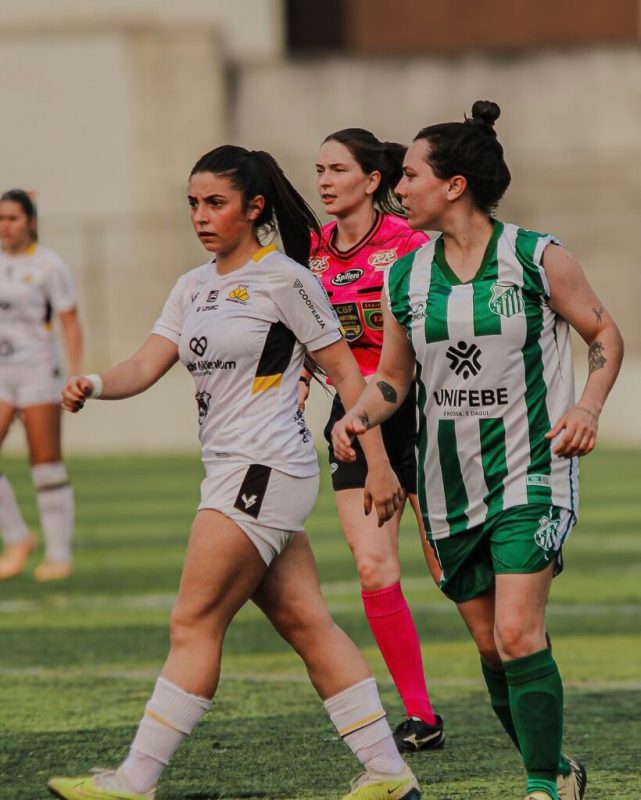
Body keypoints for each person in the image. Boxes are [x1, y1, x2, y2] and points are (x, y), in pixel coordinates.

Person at [48, 145, 422, 800]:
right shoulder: (192, 286)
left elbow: (347, 375)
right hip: (232, 469)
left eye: (214, 202)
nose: (200, 215)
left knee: (193, 624)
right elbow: (147, 362)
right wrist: (95, 382)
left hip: (266, 466)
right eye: (192, 203)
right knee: (308, 623)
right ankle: (389, 775)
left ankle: (134, 781)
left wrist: (378, 461)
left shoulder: (285, 279)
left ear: (254, 207)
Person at [332, 101, 623, 800]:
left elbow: (604, 337)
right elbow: (394, 381)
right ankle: (556, 768)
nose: (397, 189)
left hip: (532, 472)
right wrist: (357, 417)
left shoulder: (536, 256)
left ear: (453, 185)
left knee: (520, 632)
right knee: (492, 647)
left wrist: (586, 407)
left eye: (407, 176)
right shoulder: (406, 277)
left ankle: (537, 789)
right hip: (445, 486)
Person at [304, 128, 443, 752]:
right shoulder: (309, 254)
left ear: (372, 179)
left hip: (426, 415)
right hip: (352, 420)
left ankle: (514, 674)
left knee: (454, 576)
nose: (325, 181)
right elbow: (307, 336)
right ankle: (422, 716)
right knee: (372, 565)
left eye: (337, 169)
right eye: (319, 170)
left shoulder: (412, 246)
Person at [0, 189, 81, 581]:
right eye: (0, 218)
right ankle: (17, 537)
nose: (5, 225)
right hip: (2, 372)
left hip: (37, 371)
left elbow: (69, 321)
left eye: (12, 218)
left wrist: (76, 373)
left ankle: (59, 555)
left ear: (30, 221)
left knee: (45, 463)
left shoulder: (49, 265)